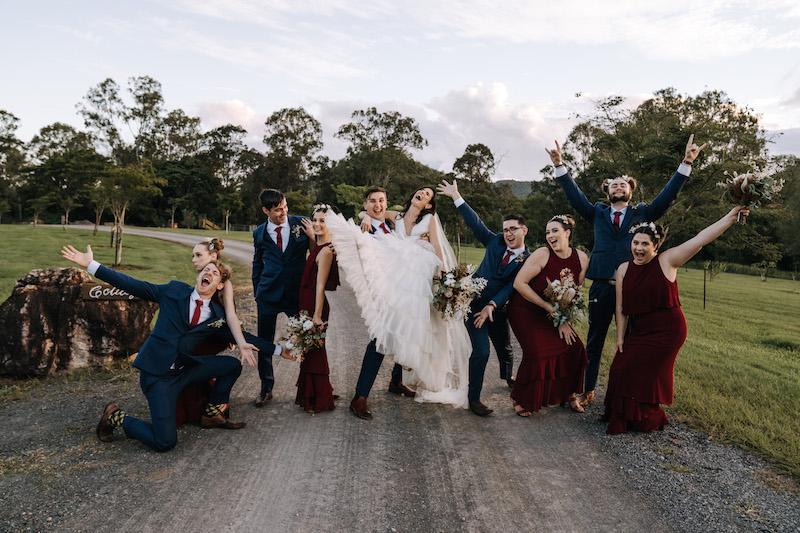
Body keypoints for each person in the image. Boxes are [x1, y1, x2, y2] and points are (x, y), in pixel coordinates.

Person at [62, 244, 290, 452]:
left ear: (220, 284)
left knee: (231, 365)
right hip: (158, 377)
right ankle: (115, 417)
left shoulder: (217, 317)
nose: (208, 273)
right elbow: (132, 284)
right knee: (165, 443)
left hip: (186, 371)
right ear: (200, 275)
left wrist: (279, 350)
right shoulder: (172, 291)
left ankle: (211, 414)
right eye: (206, 270)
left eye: (214, 273)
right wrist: (91, 265)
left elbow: (246, 337)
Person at [545, 135, 706, 406]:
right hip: (601, 287)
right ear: (607, 192)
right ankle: (586, 390)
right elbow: (575, 197)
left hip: (634, 287)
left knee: (631, 342)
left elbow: (668, 198)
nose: (618, 187)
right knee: (594, 342)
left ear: (630, 191)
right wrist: (560, 166)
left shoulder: (643, 213)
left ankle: (627, 395)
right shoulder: (596, 212)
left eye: (623, 184)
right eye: (613, 185)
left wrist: (686, 163)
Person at [602, 205, 748, 435]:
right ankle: (624, 415)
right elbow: (621, 308)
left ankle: (646, 418)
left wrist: (729, 218)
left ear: (655, 246)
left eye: (645, 244)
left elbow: (700, 239)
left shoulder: (666, 261)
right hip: (639, 331)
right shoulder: (623, 269)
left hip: (668, 331)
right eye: (635, 243)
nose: (638, 249)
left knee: (642, 372)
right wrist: (620, 338)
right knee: (621, 366)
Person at [355, 186, 472, 408]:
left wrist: (447, 279)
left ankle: (396, 380)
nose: (422, 193)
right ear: (413, 195)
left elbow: (437, 246)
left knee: (412, 329)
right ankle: (361, 396)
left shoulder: (430, 220)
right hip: (397, 283)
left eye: (428, 194)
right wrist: (364, 217)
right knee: (386, 335)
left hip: (420, 282)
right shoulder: (396, 216)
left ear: (428, 204)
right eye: (421, 190)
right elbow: (371, 212)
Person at [436, 179, 529, 417]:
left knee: (505, 348)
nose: (508, 233)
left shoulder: (527, 260)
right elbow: (476, 224)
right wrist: (457, 197)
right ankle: (474, 399)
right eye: (505, 229)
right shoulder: (495, 240)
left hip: (497, 308)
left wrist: (493, 304)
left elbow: (511, 287)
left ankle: (508, 376)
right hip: (473, 303)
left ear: (524, 231)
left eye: (513, 229)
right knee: (482, 351)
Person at [508, 215, 589, 416]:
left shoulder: (581, 258)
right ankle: (520, 399)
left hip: (553, 313)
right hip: (525, 310)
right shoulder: (542, 254)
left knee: (574, 347)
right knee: (536, 353)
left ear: (567, 233)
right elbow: (519, 284)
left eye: (554, 231)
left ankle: (568, 394)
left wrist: (563, 321)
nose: (550, 236)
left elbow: (573, 294)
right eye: (547, 232)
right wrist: (549, 308)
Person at [174, 237, 251, 426]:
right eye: (193, 255)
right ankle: (201, 406)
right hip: (200, 334)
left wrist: (237, 338)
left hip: (213, 334)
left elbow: (230, 314)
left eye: (198, 255)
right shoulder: (202, 278)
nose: (193, 259)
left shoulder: (223, 282)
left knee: (196, 357)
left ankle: (212, 408)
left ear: (213, 256)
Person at [252, 189, 314, 407]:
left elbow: (317, 249)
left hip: (295, 294)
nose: (284, 212)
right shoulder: (259, 233)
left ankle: (310, 387)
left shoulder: (302, 224)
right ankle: (266, 388)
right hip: (268, 295)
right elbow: (257, 264)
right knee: (263, 343)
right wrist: (257, 292)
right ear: (265, 210)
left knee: (307, 339)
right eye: (278, 210)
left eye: (285, 206)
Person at [295, 204, 340, 414]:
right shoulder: (321, 247)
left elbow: (320, 286)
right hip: (306, 301)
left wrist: (317, 315)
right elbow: (316, 254)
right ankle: (314, 393)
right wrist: (313, 237)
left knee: (315, 351)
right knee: (309, 350)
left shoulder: (328, 251)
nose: (317, 223)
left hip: (315, 306)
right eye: (316, 219)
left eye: (323, 221)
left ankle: (320, 398)